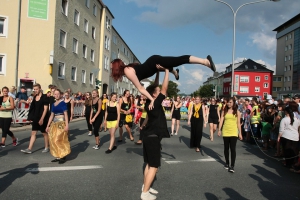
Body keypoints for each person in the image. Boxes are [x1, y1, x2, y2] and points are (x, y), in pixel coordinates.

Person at [111, 55, 216, 109]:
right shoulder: (127, 70)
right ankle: (175, 72)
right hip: (153, 67)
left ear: (116, 67)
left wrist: (152, 99)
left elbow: (140, 88)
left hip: (153, 62)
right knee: (167, 66)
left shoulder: (127, 71)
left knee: (178, 60)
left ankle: (205, 62)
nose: (112, 70)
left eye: (112, 68)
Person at [140, 65, 170, 200]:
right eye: (157, 91)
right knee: (154, 166)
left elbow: (156, 86)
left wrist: (158, 73)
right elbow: (163, 88)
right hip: (152, 137)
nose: (160, 91)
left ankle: (146, 186)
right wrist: (168, 71)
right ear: (154, 94)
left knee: (148, 163)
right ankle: (145, 193)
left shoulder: (150, 101)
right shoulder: (156, 102)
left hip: (148, 135)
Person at [21, 83, 50, 154]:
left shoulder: (44, 97)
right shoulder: (34, 97)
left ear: (40, 89)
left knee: (44, 133)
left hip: (43, 117)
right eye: (34, 89)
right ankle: (29, 148)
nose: (35, 90)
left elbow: (45, 109)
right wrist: (31, 117)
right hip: (35, 117)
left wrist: (42, 119)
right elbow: (33, 108)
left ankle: (46, 147)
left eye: (37, 89)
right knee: (33, 132)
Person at [218, 97, 243, 173]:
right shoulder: (224, 111)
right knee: (226, 148)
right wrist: (219, 130)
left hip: (233, 132)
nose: (229, 103)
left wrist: (240, 133)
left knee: (233, 148)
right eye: (228, 102)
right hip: (225, 131)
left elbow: (238, 123)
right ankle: (227, 163)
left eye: (230, 102)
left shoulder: (237, 112)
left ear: (234, 103)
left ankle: (232, 165)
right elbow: (221, 121)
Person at [46, 89, 70, 164]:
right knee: (53, 140)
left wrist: (66, 125)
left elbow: (66, 114)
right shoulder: (53, 104)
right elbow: (52, 115)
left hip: (61, 123)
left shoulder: (63, 103)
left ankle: (63, 155)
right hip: (54, 123)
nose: (56, 95)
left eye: (58, 94)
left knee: (59, 139)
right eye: (55, 94)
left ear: (60, 95)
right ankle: (58, 155)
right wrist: (48, 125)